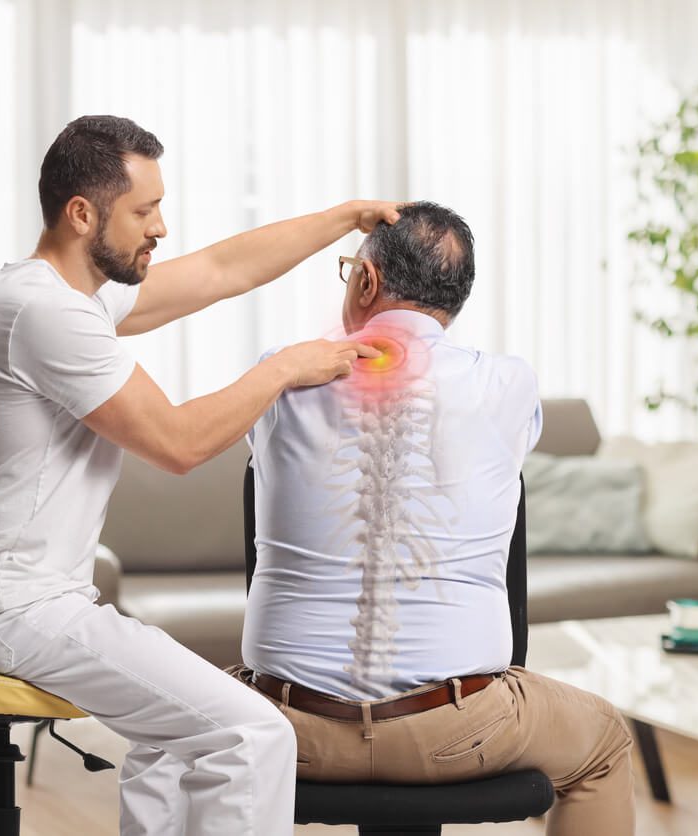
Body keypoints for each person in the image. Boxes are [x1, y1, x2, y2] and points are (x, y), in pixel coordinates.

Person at [0, 114, 400, 836]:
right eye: (144, 210)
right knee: (254, 734)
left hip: (4, 599)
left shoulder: (65, 294)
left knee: (175, 740)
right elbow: (178, 443)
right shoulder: (44, 313)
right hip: (11, 607)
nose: (161, 228)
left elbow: (220, 270)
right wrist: (285, 368)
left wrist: (343, 218)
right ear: (83, 214)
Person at [236, 201, 635, 836]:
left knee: (179, 731)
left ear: (365, 281)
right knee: (605, 744)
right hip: (459, 725)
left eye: (349, 272)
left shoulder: (279, 375)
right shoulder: (509, 386)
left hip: (288, 725)